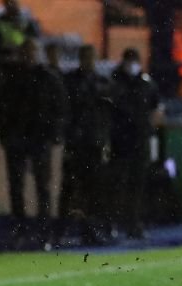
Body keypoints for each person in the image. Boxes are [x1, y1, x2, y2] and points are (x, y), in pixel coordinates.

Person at [0, 38, 66, 247]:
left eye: (32, 51)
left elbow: (60, 107)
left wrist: (54, 134)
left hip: (40, 138)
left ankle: (43, 233)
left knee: (42, 187)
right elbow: (2, 109)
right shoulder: (11, 78)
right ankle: (20, 231)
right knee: (17, 187)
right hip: (17, 138)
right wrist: (5, 135)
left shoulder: (49, 78)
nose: (30, 55)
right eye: (27, 51)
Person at [108, 48, 161, 239]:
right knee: (118, 183)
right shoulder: (114, 82)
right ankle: (113, 224)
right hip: (120, 140)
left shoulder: (146, 83)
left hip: (140, 140)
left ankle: (133, 223)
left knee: (137, 185)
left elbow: (156, 109)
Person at [63, 44, 112, 242]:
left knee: (95, 187)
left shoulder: (101, 82)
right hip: (78, 142)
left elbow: (106, 114)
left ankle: (92, 227)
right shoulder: (72, 82)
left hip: (94, 141)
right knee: (75, 187)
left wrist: (105, 138)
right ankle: (72, 228)